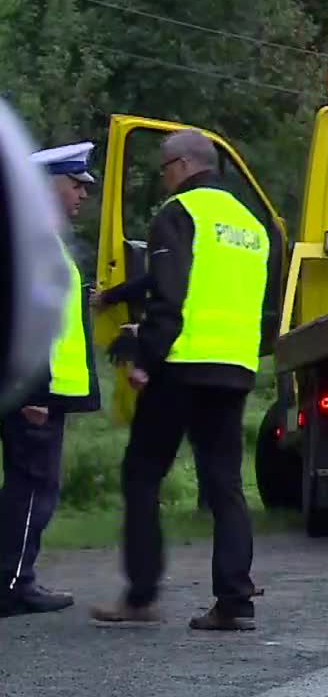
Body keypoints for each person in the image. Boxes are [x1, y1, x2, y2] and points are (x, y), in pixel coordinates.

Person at [89, 129, 279, 630]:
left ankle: (141, 596)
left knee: (142, 473)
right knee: (225, 485)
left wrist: (145, 358)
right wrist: (120, 294)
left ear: (179, 165)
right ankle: (235, 599)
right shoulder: (252, 224)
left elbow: (171, 294)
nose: (164, 179)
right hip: (235, 367)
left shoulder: (179, 213)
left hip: (181, 365)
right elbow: (228, 288)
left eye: (163, 169)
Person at [0, 142, 102, 618]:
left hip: (38, 389)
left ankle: (14, 576)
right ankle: (14, 583)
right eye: (75, 184)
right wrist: (37, 391)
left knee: (29, 485)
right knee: (33, 486)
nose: (82, 194)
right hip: (37, 392)